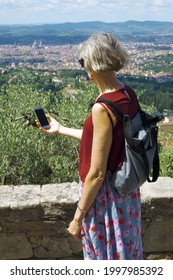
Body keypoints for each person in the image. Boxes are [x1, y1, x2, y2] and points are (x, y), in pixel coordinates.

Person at [36, 32, 143, 260]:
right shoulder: (127, 94)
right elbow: (104, 142)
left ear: (92, 65)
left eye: (83, 61)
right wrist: (61, 129)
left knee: (104, 257)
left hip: (106, 199)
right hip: (126, 194)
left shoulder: (102, 107)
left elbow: (96, 174)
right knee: (125, 252)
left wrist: (77, 218)